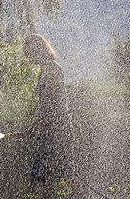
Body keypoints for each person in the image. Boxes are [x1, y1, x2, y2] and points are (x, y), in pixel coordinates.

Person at [22, 34, 83, 198]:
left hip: (59, 129)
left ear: (37, 50)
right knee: (47, 178)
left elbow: (49, 102)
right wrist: (39, 126)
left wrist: (36, 125)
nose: (27, 58)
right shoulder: (45, 69)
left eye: (28, 53)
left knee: (67, 174)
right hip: (50, 128)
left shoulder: (52, 69)